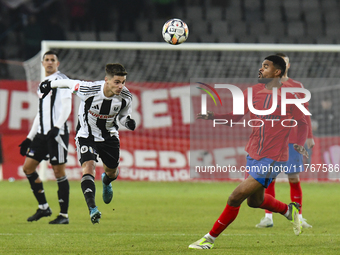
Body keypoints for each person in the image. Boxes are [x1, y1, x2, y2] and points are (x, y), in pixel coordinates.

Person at [189, 55, 309, 250]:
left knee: (235, 197)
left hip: (274, 158)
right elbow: (235, 117)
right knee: (255, 201)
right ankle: (289, 210)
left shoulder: (290, 96)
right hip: (253, 153)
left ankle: (208, 240)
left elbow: (303, 122)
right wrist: (214, 116)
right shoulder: (251, 92)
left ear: (277, 72)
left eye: (266, 66)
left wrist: (299, 143)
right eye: (261, 66)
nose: (261, 69)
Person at [39, 63, 136, 224]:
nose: (121, 86)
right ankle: (92, 208)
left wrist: (128, 122)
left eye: (123, 82)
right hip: (86, 135)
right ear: (107, 80)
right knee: (89, 167)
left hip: (109, 136)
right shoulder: (89, 90)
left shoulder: (126, 96)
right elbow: (69, 83)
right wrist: (49, 84)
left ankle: (107, 181)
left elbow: (124, 116)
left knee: (112, 172)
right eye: (117, 82)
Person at [256, 53, 314, 229]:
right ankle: (268, 217)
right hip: (274, 139)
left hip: (293, 138)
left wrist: (309, 136)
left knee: (293, 178)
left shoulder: (297, 86)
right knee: (269, 178)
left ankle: (299, 216)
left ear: (287, 65)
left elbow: (304, 114)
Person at [19, 50, 72, 224]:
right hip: (42, 135)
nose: (49, 62)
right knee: (28, 167)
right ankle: (44, 207)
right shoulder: (43, 83)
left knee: (58, 171)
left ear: (58, 64)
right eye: (46, 60)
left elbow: (66, 106)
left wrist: (57, 127)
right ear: (42, 63)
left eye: (52, 60)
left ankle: (63, 215)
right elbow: (41, 114)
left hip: (57, 134)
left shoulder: (61, 81)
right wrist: (29, 137)